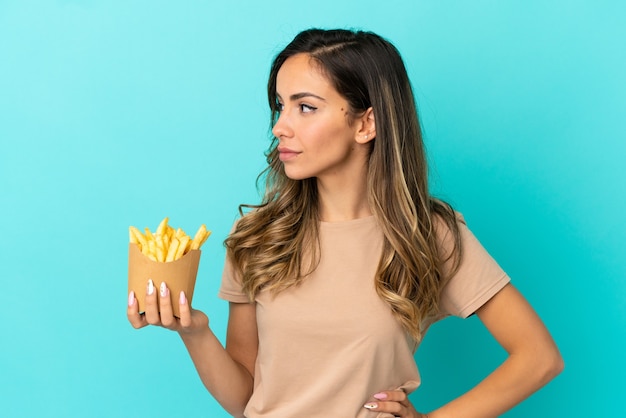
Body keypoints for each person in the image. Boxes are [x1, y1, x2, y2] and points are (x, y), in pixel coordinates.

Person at [127, 28, 563, 418]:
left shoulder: (428, 234)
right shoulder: (258, 238)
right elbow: (247, 401)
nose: (280, 127)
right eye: (281, 106)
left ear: (366, 123)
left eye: (306, 107)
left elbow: (539, 358)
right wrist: (195, 333)